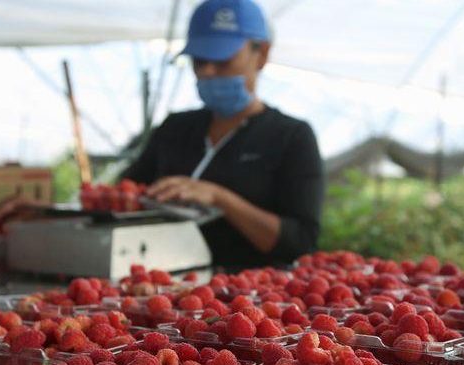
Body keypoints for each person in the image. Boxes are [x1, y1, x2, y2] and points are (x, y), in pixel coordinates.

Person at [123, 0, 324, 269]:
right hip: (161, 288)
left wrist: (221, 199)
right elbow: (124, 194)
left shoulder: (291, 137)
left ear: (261, 54)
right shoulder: (175, 129)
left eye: (221, 59)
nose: (207, 71)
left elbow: (299, 242)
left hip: (252, 300)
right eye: (199, 60)